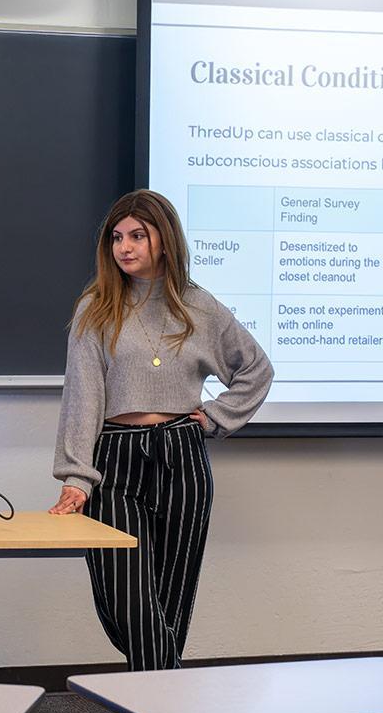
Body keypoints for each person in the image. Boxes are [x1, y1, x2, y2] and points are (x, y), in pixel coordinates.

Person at [49, 189, 272, 671]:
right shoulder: (96, 308)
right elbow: (82, 398)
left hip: (181, 457)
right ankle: (169, 696)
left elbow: (256, 369)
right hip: (116, 461)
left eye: (137, 236)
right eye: (116, 238)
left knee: (170, 605)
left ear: (165, 240)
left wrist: (216, 416)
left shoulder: (199, 307)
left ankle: (151, 700)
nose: (124, 247)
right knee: (128, 603)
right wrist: (76, 476)